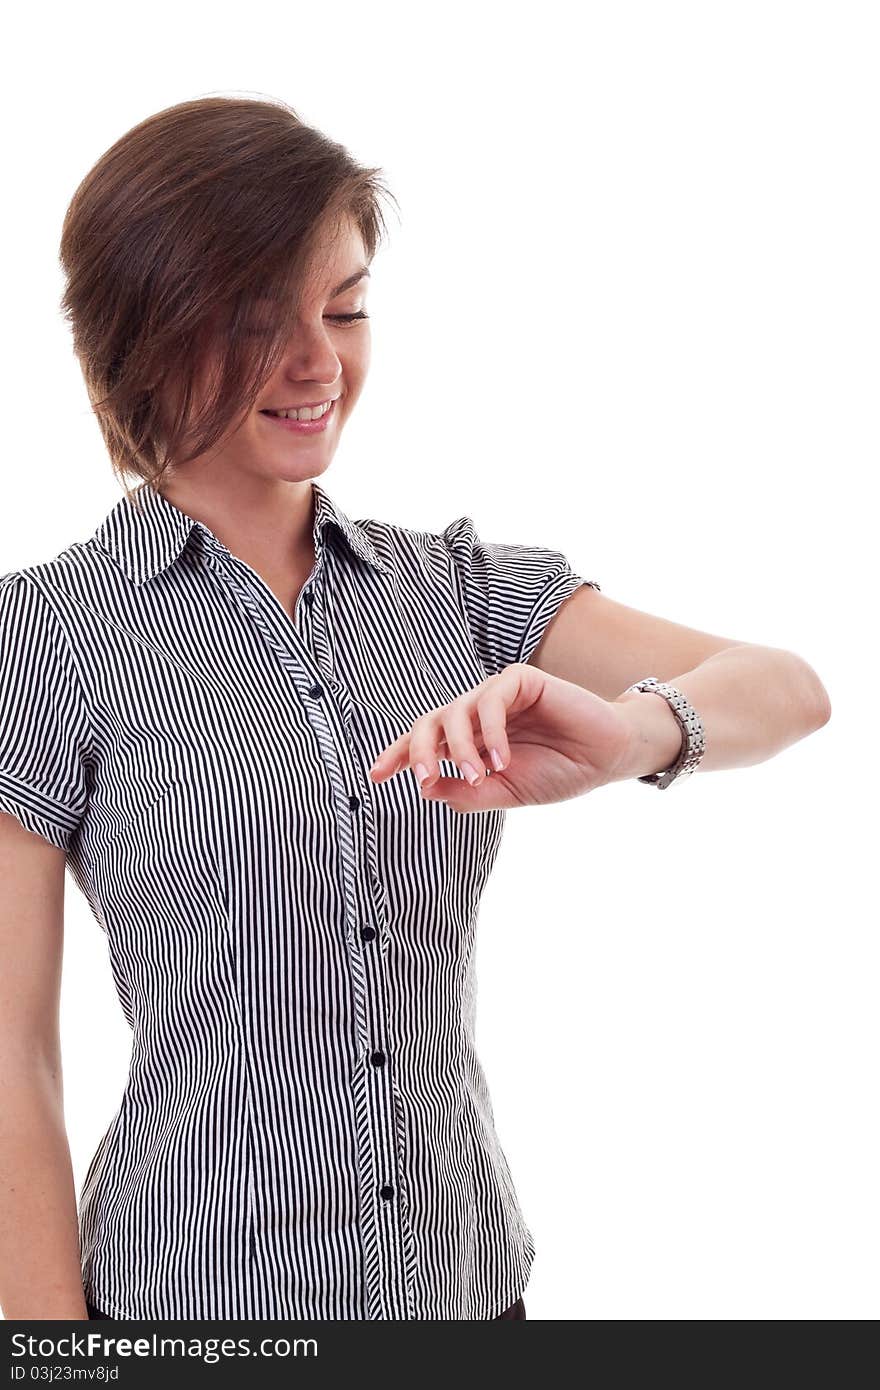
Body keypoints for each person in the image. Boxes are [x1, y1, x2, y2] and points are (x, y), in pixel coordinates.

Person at [0, 96, 831, 1323]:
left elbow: (787, 687)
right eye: (254, 319)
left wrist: (636, 736)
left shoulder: (459, 590)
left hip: (468, 1292)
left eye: (343, 307)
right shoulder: (44, 636)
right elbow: (13, 1056)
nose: (319, 363)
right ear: (133, 332)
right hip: (188, 1310)